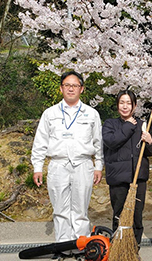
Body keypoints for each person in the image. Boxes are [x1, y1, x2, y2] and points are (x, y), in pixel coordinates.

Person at [31, 71, 103, 248]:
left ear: (82, 89)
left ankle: (82, 245)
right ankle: (63, 246)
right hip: (58, 164)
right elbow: (40, 141)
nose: (71, 89)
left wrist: (99, 165)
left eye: (75, 86)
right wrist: (37, 167)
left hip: (83, 163)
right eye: (67, 85)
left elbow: (98, 142)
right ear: (61, 88)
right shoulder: (50, 113)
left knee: (80, 209)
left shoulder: (91, 113)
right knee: (60, 209)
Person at [102, 90, 152, 250]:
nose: (125, 106)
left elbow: (150, 151)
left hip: (138, 177)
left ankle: (134, 247)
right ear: (117, 105)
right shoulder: (110, 124)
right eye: (121, 103)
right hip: (118, 178)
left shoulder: (142, 124)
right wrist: (128, 126)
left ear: (134, 106)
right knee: (119, 214)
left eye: (128, 103)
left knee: (137, 216)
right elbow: (111, 141)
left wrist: (150, 142)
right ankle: (119, 247)